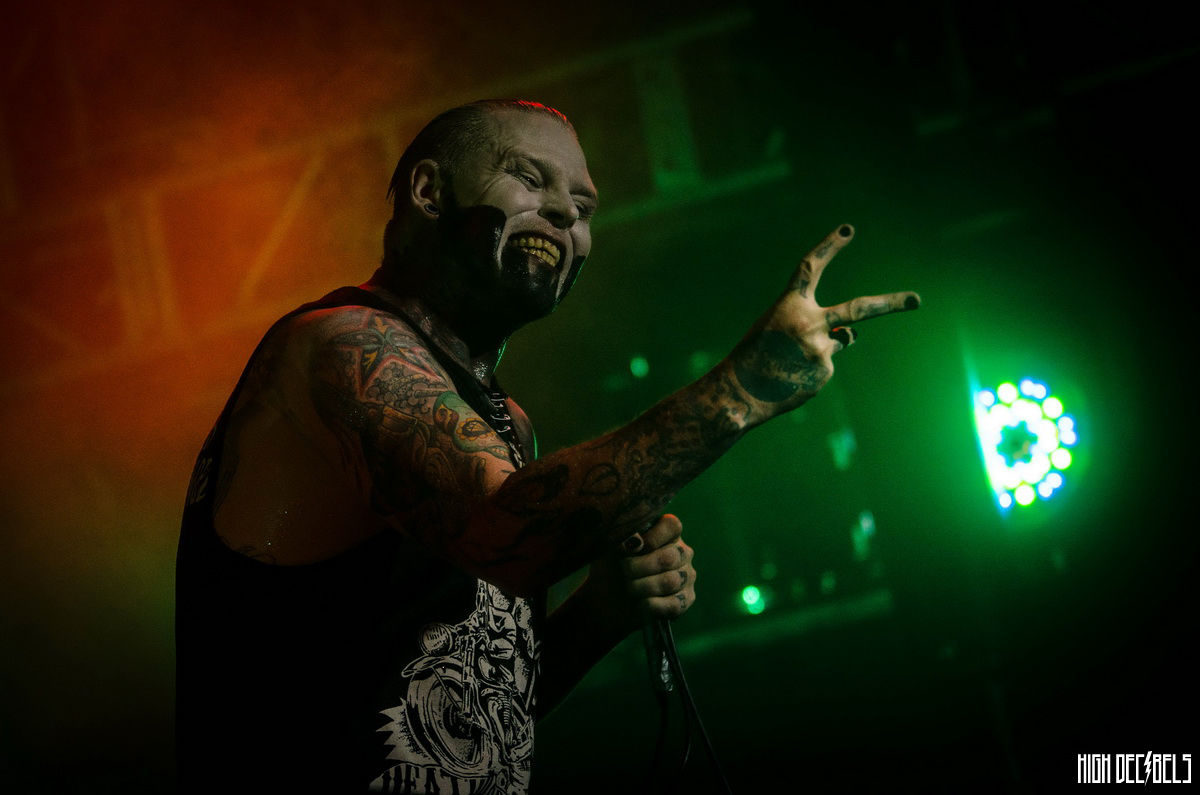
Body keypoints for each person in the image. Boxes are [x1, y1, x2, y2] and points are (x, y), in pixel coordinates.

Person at [175, 98, 919, 794]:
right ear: (430, 193)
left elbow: (482, 707)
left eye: (584, 208)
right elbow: (503, 529)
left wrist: (600, 613)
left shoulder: (508, 423)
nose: (565, 212)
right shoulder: (343, 347)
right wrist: (744, 388)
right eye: (530, 180)